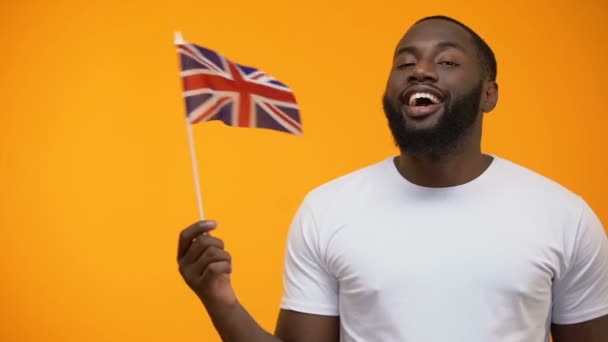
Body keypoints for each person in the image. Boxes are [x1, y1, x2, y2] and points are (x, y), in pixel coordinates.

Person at [176, 15, 608, 342]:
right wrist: (219, 299)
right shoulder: (328, 209)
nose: (420, 70)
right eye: (405, 62)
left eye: (447, 60)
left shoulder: (563, 215)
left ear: (489, 94)